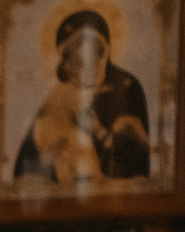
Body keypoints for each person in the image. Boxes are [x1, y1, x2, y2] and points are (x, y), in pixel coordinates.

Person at [13, 9, 152, 182]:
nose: (73, 69)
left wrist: (99, 132)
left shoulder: (125, 87)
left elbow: (136, 155)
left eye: (83, 58)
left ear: (102, 52)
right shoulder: (59, 96)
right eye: (69, 60)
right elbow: (28, 163)